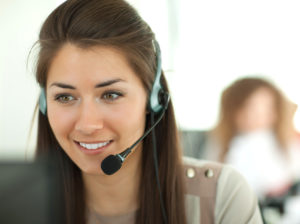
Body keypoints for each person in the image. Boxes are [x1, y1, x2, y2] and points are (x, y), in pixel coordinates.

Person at [32, 0, 263, 223]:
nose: (87, 124)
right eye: (65, 97)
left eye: (111, 95)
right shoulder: (17, 205)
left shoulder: (222, 197)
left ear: (154, 99)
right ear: (45, 103)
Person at [202, 77, 300, 199]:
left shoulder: (287, 142)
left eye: (268, 107)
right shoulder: (223, 144)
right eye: (252, 107)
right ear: (234, 110)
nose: (259, 114)